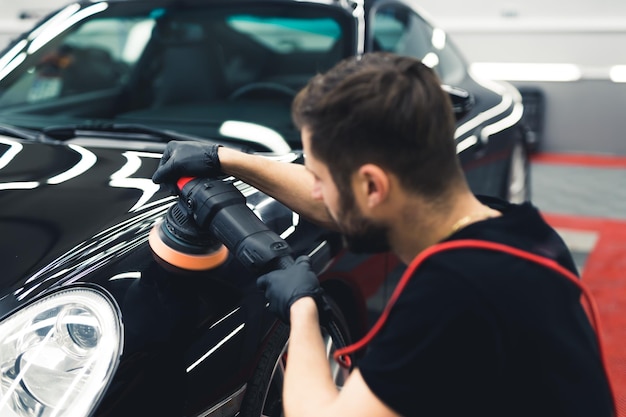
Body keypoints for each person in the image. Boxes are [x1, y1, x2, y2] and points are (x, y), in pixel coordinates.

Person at [152, 52, 614, 417]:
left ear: (373, 186)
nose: (314, 189)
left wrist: (303, 312)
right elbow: (338, 205)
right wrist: (225, 159)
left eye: (318, 175)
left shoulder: (453, 292)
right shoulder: (515, 230)